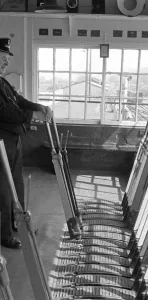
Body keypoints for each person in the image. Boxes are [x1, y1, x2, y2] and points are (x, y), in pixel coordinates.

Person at [0, 37, 52, 249]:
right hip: (1, 143)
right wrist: (32, 117)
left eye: (6, 59)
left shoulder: (2, 82)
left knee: (17, 186)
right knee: (3, 190)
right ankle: (4, 235)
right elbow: (4, 110)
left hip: (14, 141)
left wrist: (39, 106)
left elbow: (18, 101)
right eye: (2, 58)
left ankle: (17, 223)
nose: (6, 63)